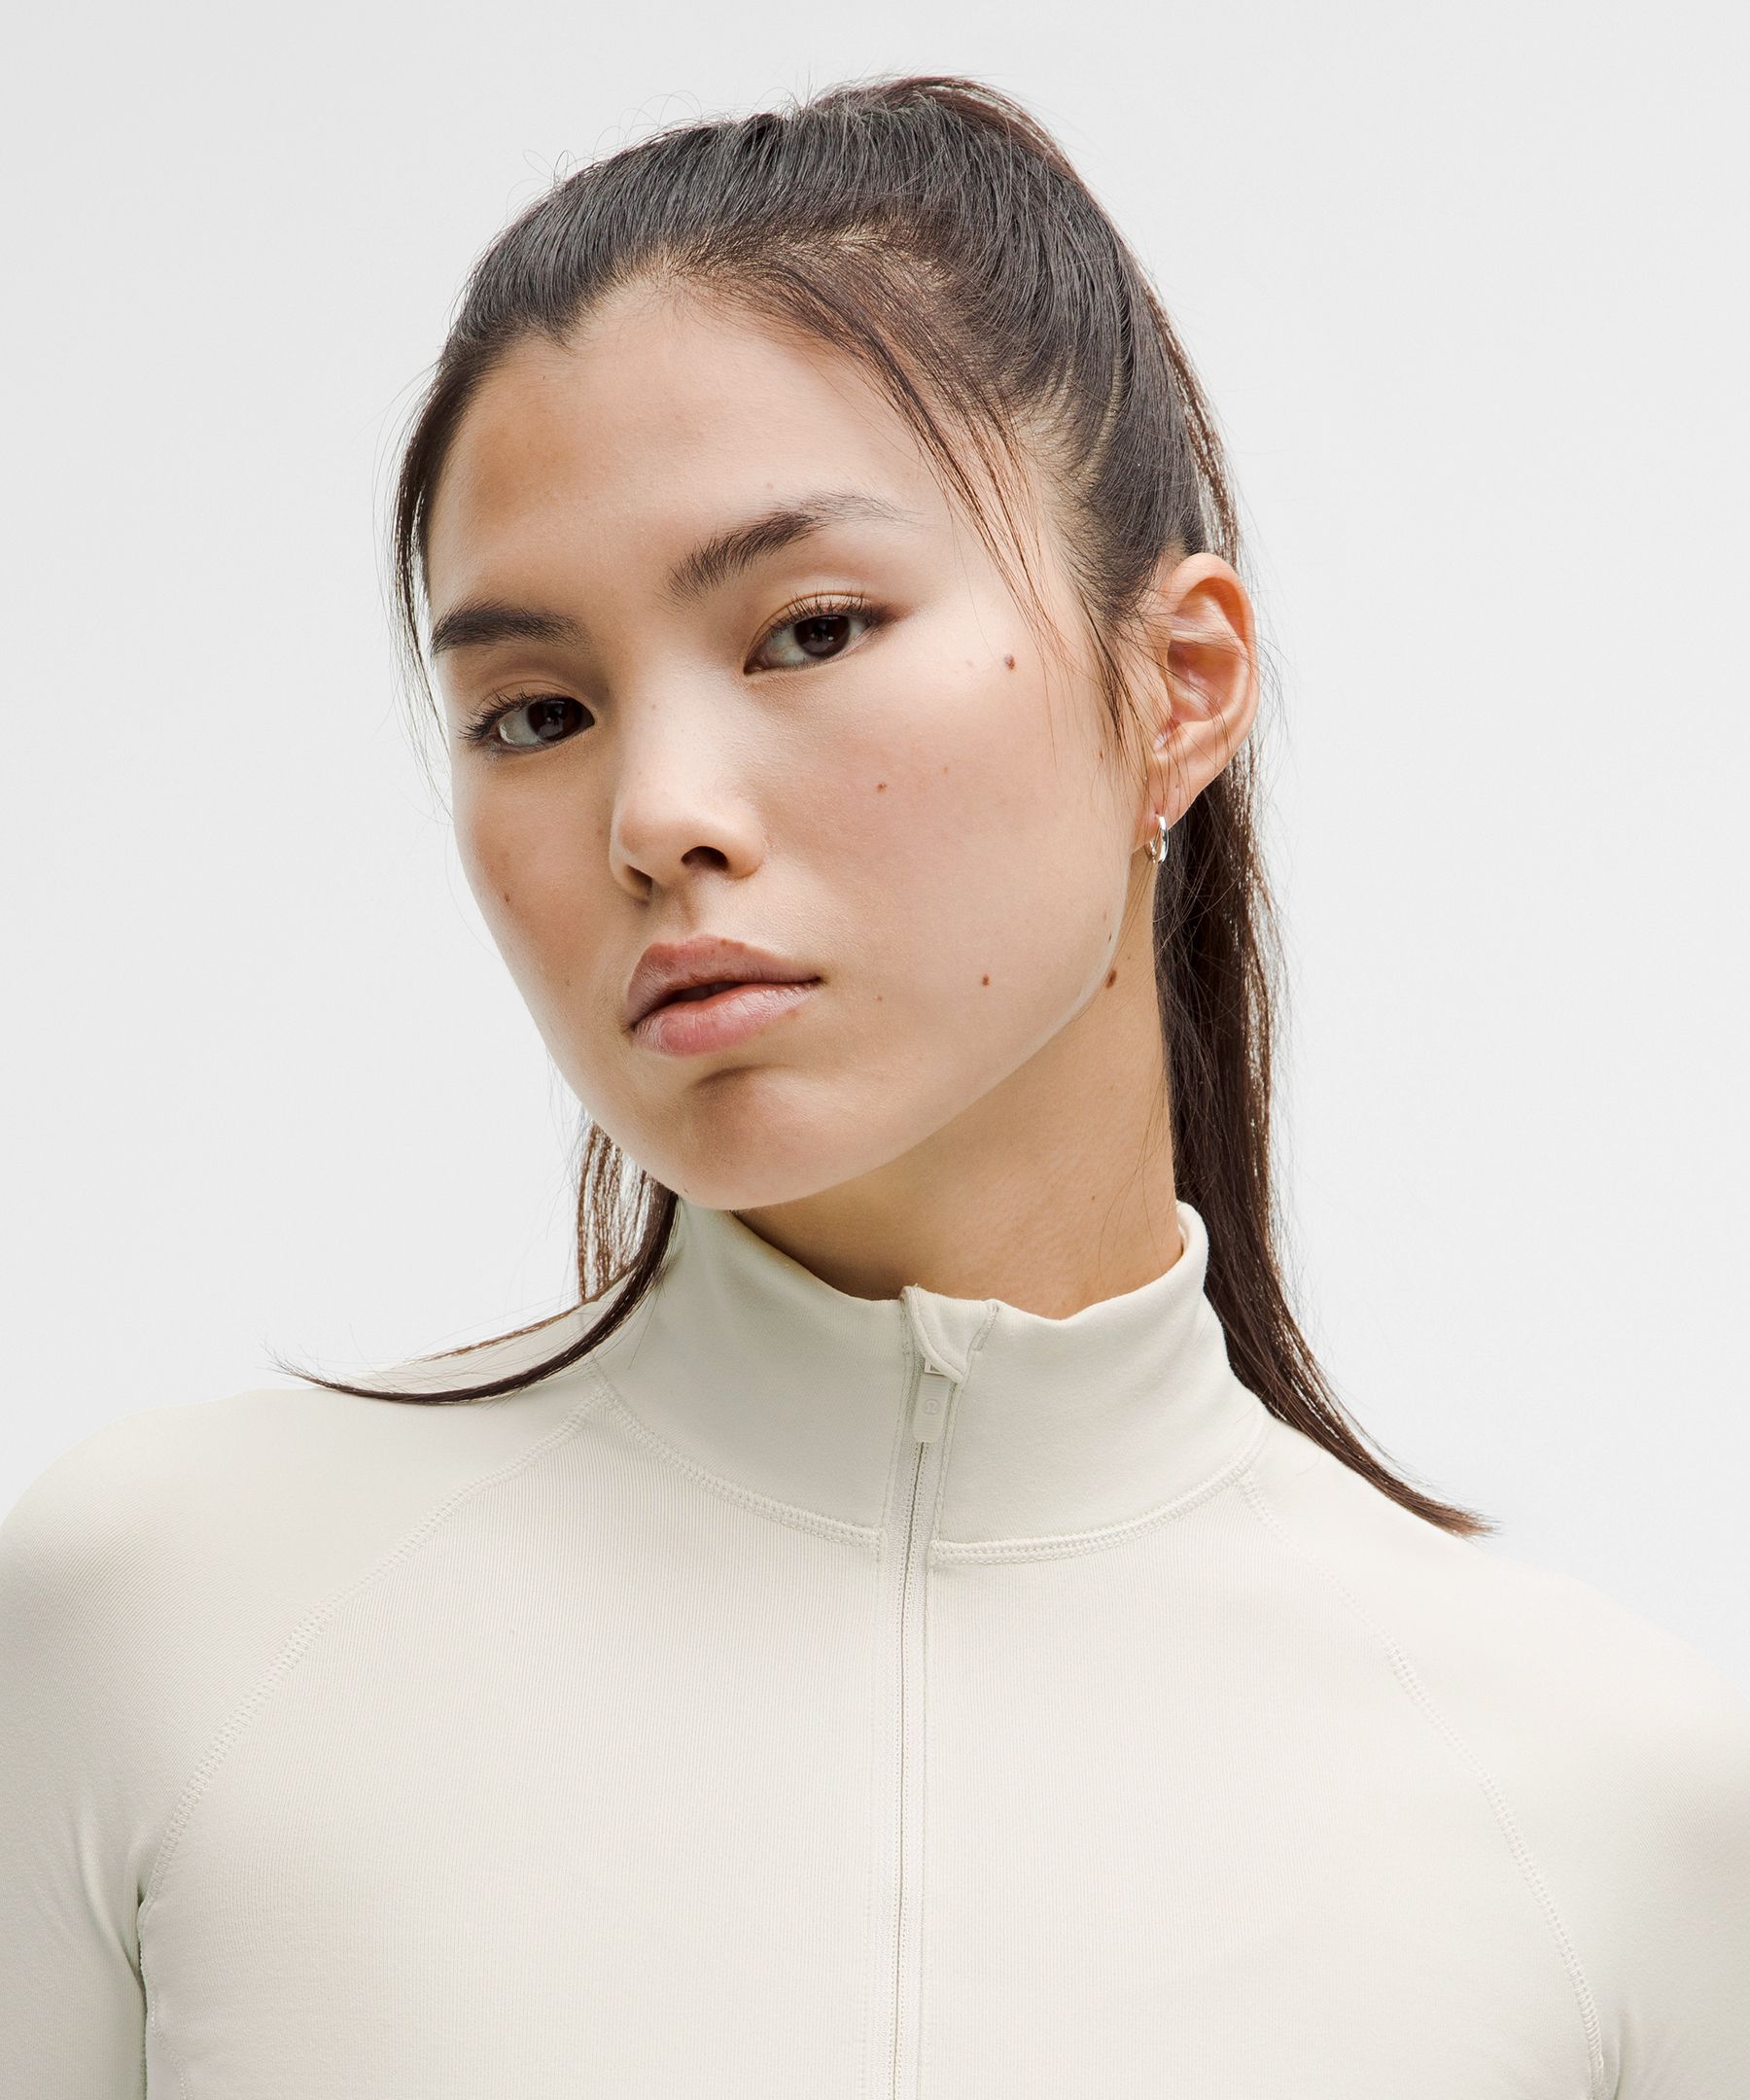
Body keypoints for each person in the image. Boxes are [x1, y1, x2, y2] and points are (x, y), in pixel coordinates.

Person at [2, 71, 1745, 2099]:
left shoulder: (1613, 1821)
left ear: (1178, 685)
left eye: (811, 629)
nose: (658, 814)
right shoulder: (159, 1630)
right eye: (535, 713)